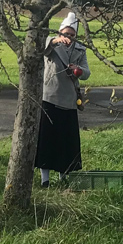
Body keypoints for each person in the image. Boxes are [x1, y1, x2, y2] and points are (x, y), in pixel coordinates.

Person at [35, 11, 90, 187]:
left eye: (72, 35)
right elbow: (42, 50)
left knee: (65, 140)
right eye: (66, 34)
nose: (69, 38)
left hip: (69, 99)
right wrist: (55, 41)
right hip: (50, 97)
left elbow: (87, 73)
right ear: (60, 33)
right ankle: (45, 179)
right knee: (47, 139)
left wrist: (78, 69)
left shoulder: (80, 49)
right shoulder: (52, 44)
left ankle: (63, 175)